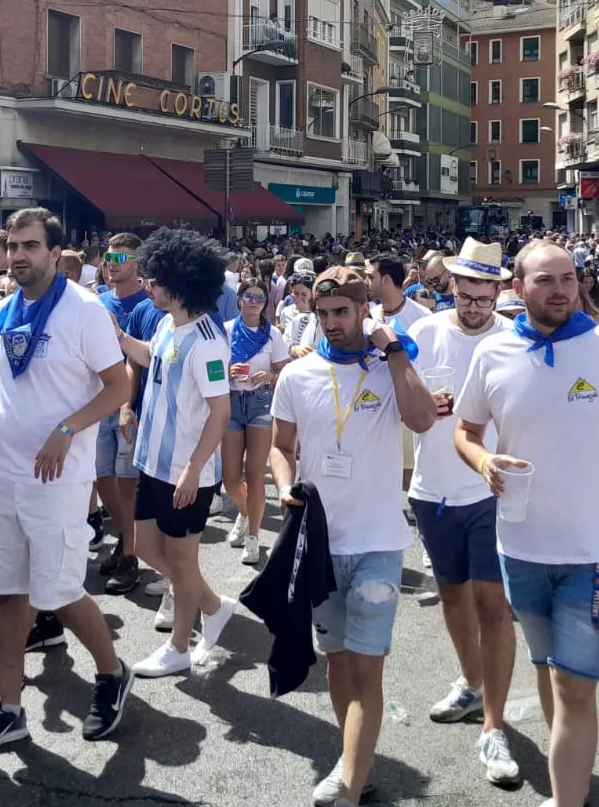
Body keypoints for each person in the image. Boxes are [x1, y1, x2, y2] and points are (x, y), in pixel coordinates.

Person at [454, 241, 599, 807]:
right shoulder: (493, 352)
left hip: (593, 553)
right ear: (517, 288)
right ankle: (571, 782)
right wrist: (483, 461)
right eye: (545, 280)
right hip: (521, 548)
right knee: (549, 670)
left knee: (574, 683)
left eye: (568, 278)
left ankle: (567, 797)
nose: (561, 289)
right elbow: (465, 432)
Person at [0, 208, 133, 757]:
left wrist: (67, 429)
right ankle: (9, 711)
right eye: (13, 246)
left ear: (55, 253)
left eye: (30, 246)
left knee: (59, 590)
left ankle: (112, 672)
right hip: (2, 470)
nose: (18, 256)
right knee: (7, 590)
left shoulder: (84, 310)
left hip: (58, 476)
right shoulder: (5, 308)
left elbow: (118, 386)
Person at [269, 265, 437, 807]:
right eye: (322, 314)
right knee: (338, 662)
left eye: (342, 312)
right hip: (321, 545)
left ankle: (348, 789)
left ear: (365, 310)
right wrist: (284, 485)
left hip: (377, 546)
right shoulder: (298, 375)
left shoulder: (388, 368)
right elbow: (280, 446)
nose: (331, 323)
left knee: (366, 670)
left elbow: (422, 419)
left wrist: (395, 351)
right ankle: (354, 760)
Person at [404, 240, 519, 787]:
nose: (474, 307)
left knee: (493, 604)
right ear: (451, 286)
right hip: (433, 490)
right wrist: (423, 407)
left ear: (498, 292)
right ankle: (472, 684)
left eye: (483, 298)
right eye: (465, 296)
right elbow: (399, 404)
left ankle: (494, 727)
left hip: (492, 490)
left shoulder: (513, 337)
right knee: (452, 595)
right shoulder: (424, 332)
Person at [117, 229, 237, 677]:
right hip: (153, 463)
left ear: (180, 283)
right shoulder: (168, 324)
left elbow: (221, 413)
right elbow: (151, 356)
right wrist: (118, 336)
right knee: (147, 548)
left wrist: (192, 470)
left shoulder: (207, 342)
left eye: (155, 279)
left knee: (183, 564)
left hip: (187, 471)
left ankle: (179, 646)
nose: (148, 285)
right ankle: (213, 605)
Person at [93, 234, 151, 592]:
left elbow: (139, 361)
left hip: (130, 407)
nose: (111, 264)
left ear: (136, 262)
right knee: (102, 480)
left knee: (127, 484)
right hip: (96, 404)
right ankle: (128, 538)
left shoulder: (147, 305)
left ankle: (130, 555)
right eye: (108, 258)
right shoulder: (98, 303)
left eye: (119, 258)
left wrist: (128, 405)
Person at [221, 278, 287, 566]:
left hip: (260, 403)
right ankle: (246, 512)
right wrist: (227, 370)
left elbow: (284, 372)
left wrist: (271, 376)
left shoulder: (273, 335)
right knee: (230, 478)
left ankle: (253, 538)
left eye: (260, 297)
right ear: (240, 300)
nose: (254, 301)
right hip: (231, 402)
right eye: (249, 296)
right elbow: (212, 368)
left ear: (265, 303)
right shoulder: (225, 331)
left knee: (255, 475)